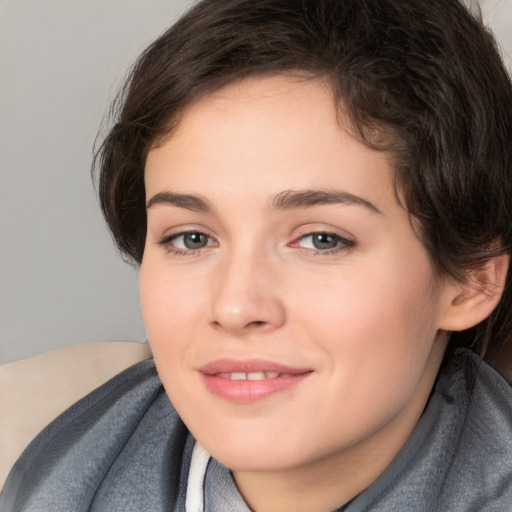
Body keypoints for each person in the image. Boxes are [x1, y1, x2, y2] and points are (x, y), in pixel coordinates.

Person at [2, 0, 512, 510]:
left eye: (320, 239)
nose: (235, 307)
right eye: (192, 238)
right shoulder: (61, 478)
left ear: (472, 280)